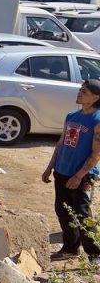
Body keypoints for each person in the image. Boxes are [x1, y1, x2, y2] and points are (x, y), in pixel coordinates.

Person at [42, 79, 100, 263]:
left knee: (82, 213)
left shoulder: (97, 120)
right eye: (80, 90)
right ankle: (70, 248)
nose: (79, 93)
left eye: (84, 92)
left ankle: (95, 253)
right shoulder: (71, 116)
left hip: (82, 176)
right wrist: (49, 167)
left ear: (95, 98)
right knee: (62, 210)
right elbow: (61, 143)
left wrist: (79, 176)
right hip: (62, 171)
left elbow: (96, 154)